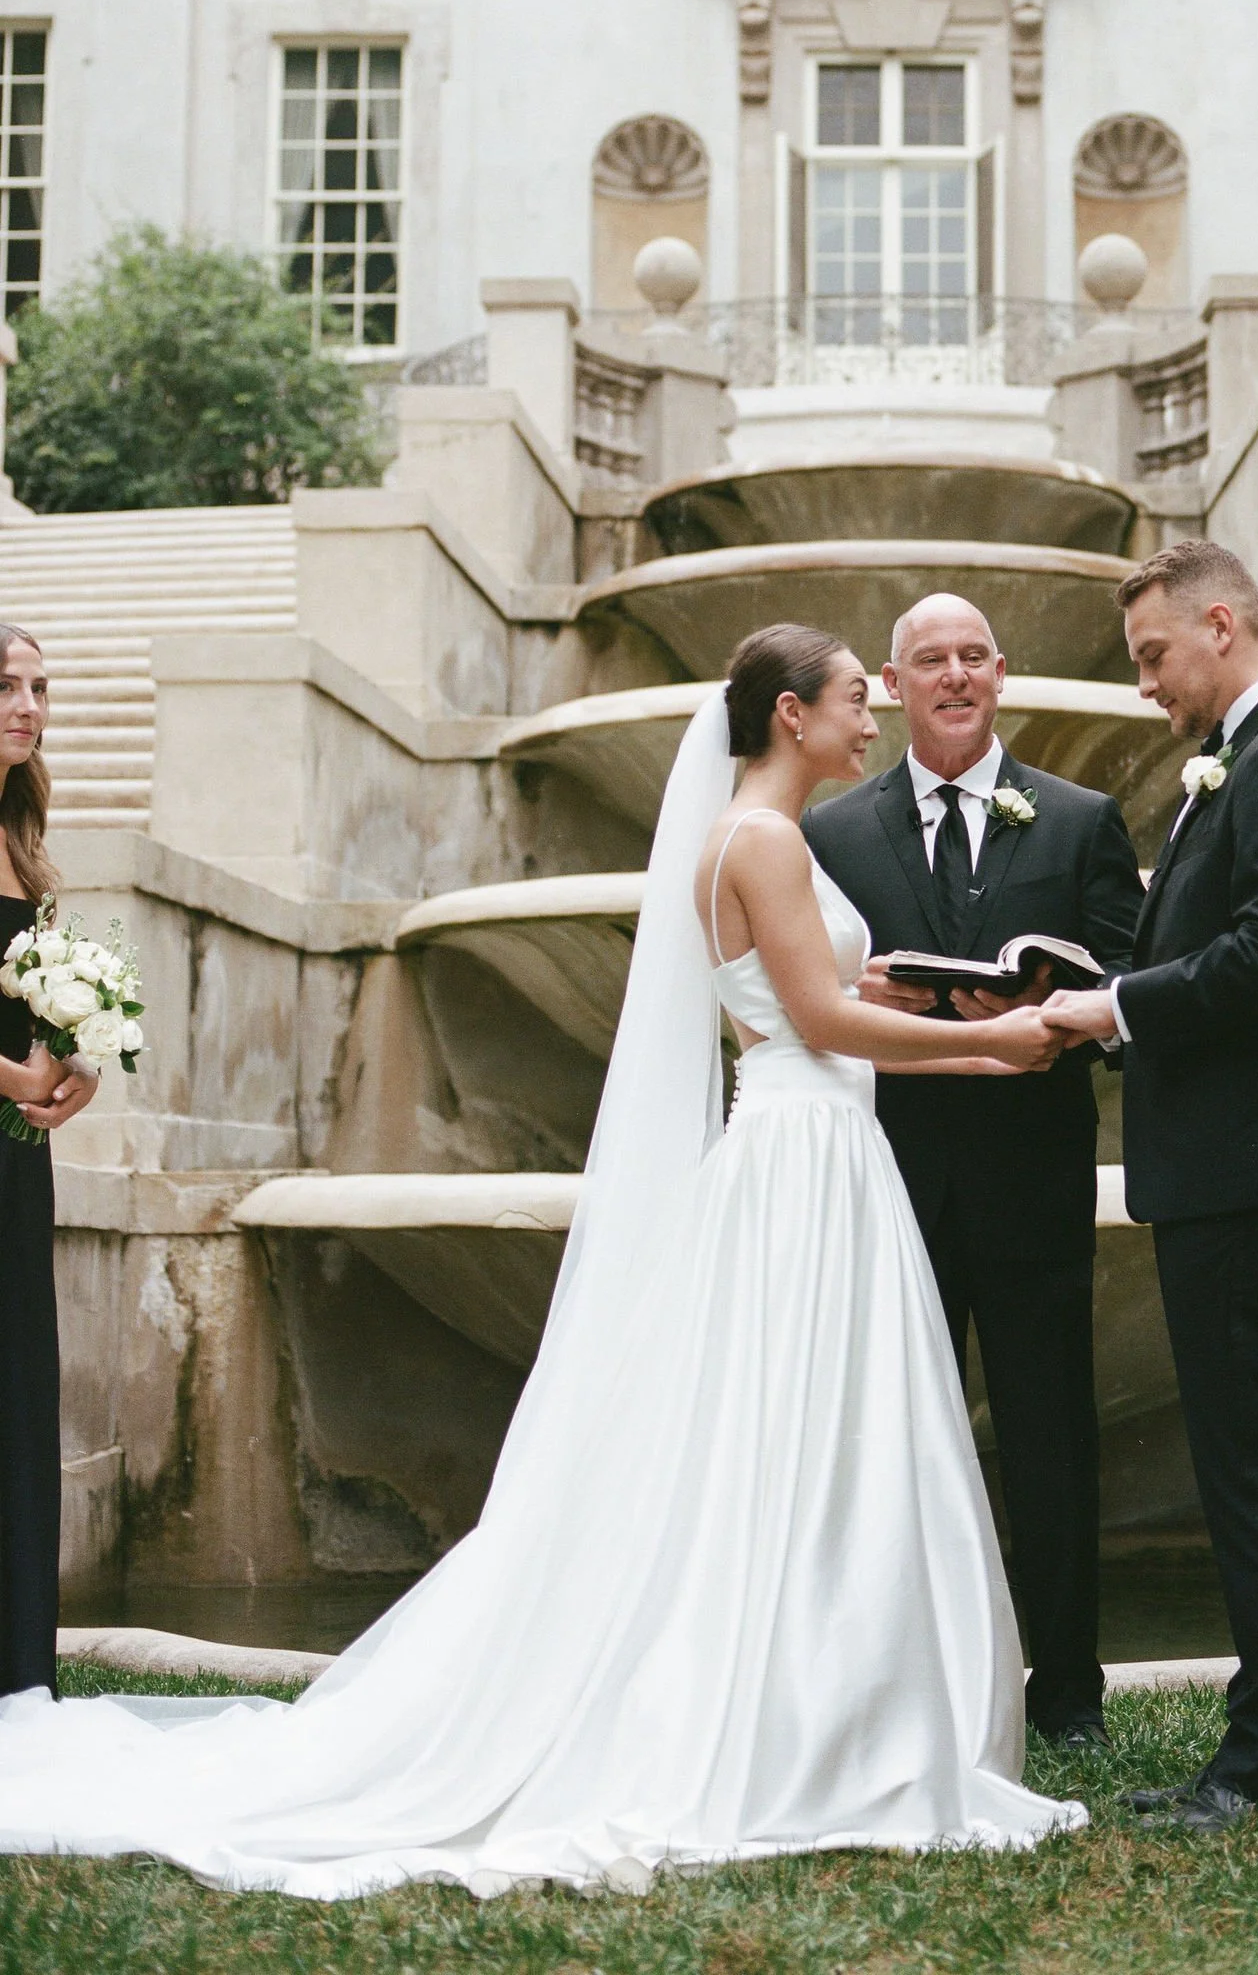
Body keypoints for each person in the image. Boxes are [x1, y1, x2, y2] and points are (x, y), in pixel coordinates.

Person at [0, 623, 1087, 1893]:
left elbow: (810, 996)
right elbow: (815, 1017)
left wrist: (910, 998)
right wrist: (998, 1044)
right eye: (857, 696)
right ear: (790, 715)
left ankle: (815, 1699)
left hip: (807, 1146)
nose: (876, 714)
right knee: (808, 1439)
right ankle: (806, 1718)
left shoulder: (741, 836)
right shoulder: (768, 840)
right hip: (807, 1159)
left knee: (792, 1441)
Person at [1044, 540, 1258, 1832]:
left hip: (1254, 1170)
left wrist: (1116, 1005)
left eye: (1153, 656)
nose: (1143, 687)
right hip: (1226, 1168)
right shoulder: (1243, 759)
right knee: (1248, 1461)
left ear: (1221, 624)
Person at [805, 592, 1144, 1749]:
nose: (951, 677)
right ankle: (900, 1690)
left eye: (970, 658)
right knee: (890, 1442)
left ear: (1001, 675)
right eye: (926, 662)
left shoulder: (1080, 819)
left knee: (1052, 1440)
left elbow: (1134, 979)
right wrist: (868, 1001)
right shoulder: (830, 832)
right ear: (893, 688)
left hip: (1031, 1178)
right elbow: (798, 999)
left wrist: (1058, 1010)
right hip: (888, 1179)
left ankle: (1068, 1694)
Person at [0, 623, 100, 1702]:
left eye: (39, 684)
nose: (28, 704)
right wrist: (11, 1080)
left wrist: (79, 1062)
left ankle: (17, 1666)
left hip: (15, 1160)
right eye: (6, 687)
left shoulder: (20, 838)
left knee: (16, 1386)